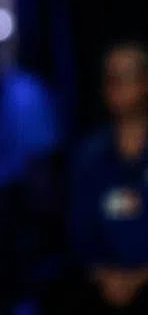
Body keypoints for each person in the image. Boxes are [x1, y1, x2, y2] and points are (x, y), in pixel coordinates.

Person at [55, 39, 148, 314]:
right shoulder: (89, 156)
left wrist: (139, 277)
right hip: (102, 290)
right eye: (109, 77)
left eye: (125, 76)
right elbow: (80, 233)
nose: (115, 84)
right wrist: (105, 275)